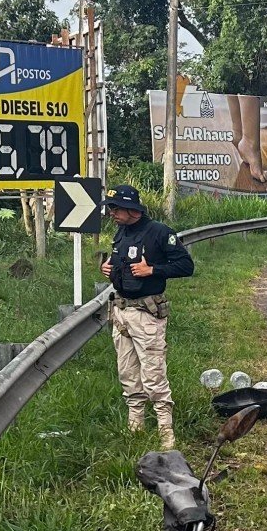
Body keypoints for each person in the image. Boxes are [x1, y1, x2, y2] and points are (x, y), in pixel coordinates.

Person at [100, 184, 194, 449]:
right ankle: (136, 426)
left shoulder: (159, 233)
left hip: (147, 313)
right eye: (111, 208)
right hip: (121, 311)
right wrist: (108, 269)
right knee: (128, 372)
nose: (112, 213)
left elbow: (186, 266)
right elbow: (122, 265)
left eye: (115, 208)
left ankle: (166, 431)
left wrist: (152, 270)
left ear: (133, 210)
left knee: (153, 372)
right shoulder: (121, 233)